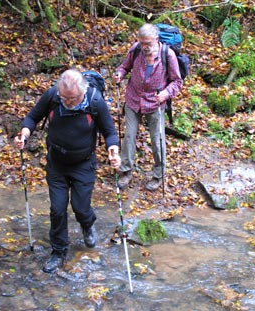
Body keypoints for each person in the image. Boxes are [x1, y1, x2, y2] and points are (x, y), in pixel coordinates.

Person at [14, 69, 121, 273]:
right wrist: (24, 136)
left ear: (82, 92)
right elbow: (32, 118)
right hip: (57, 163)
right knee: (57, 208)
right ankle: (59, 251)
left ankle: (88, 224)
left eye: (72, 99)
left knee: (81, 207)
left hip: (84, 163)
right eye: (64, 97)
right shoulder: (53, 96)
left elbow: (109, 132)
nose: (67, 102)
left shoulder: (95, 101)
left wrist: (113, 152)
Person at [112, 23, 183, 191]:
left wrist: (166, 93)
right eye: (142, 43)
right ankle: (125, 171)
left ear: (156, 40)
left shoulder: (168, 55)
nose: (144, 47)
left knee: (157, 141)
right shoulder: (136, 50)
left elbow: (177, 81)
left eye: (148, 43)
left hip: (155, 103)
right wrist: (119, 74)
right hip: (133, 99)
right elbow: (125, 66)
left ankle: (158, 175)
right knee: (129, 136)